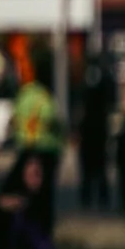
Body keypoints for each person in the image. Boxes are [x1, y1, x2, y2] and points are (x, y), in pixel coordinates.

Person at [11, 71, 64, 233]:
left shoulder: (23, 95)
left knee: (26, 191)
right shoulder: (44, 97)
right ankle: (42, 230)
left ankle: (27, 228)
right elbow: (50, 118)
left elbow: (15, 119)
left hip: (25, 147)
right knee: (44, 193)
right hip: (45, 148)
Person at [76, 60, 115, 211]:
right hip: (96, 142)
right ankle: (99, 199)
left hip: (92, 143)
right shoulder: (99, 107)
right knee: (98, 174)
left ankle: (90, 200)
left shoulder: (88, 105)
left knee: (92, 175)